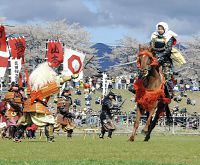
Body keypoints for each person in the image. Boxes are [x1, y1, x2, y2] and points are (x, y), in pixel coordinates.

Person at [150, 22, 178, 98]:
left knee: (167, 74)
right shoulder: (154, 36)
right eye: (158, 29)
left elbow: (168, 49)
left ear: (165, 29)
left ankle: (169, 90)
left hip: (165, 58)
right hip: (155, 57)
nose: (159, 30)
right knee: (145, 68)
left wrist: (161, 57)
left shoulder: (169, 37)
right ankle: (136, 86)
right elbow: (151, 46)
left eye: (161, 29)